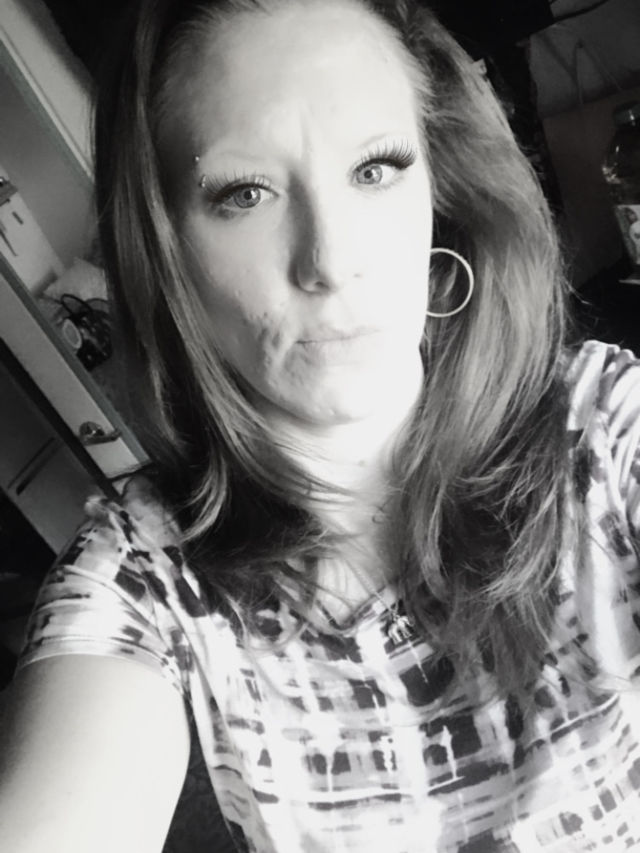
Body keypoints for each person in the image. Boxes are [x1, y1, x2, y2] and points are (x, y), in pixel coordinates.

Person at [1, 0, 640, 850]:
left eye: (375, 168)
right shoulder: (148, 583)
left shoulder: (603, 427)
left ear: (439, 187)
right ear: (165, 248)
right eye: (245, 194)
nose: (331, 261)